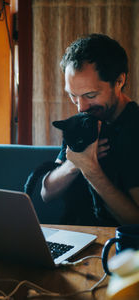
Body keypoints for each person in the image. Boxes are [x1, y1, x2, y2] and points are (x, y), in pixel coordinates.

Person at [41, 33, 139, 226]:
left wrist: (90, 169)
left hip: (118, 246)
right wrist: (73, 165)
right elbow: (47, 193)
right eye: (73, 96)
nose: (81, 107)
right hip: (75, 238)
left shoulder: (134, 129)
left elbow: (136, 223)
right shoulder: (83, 121)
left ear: (119, 81)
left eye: (90, 95)